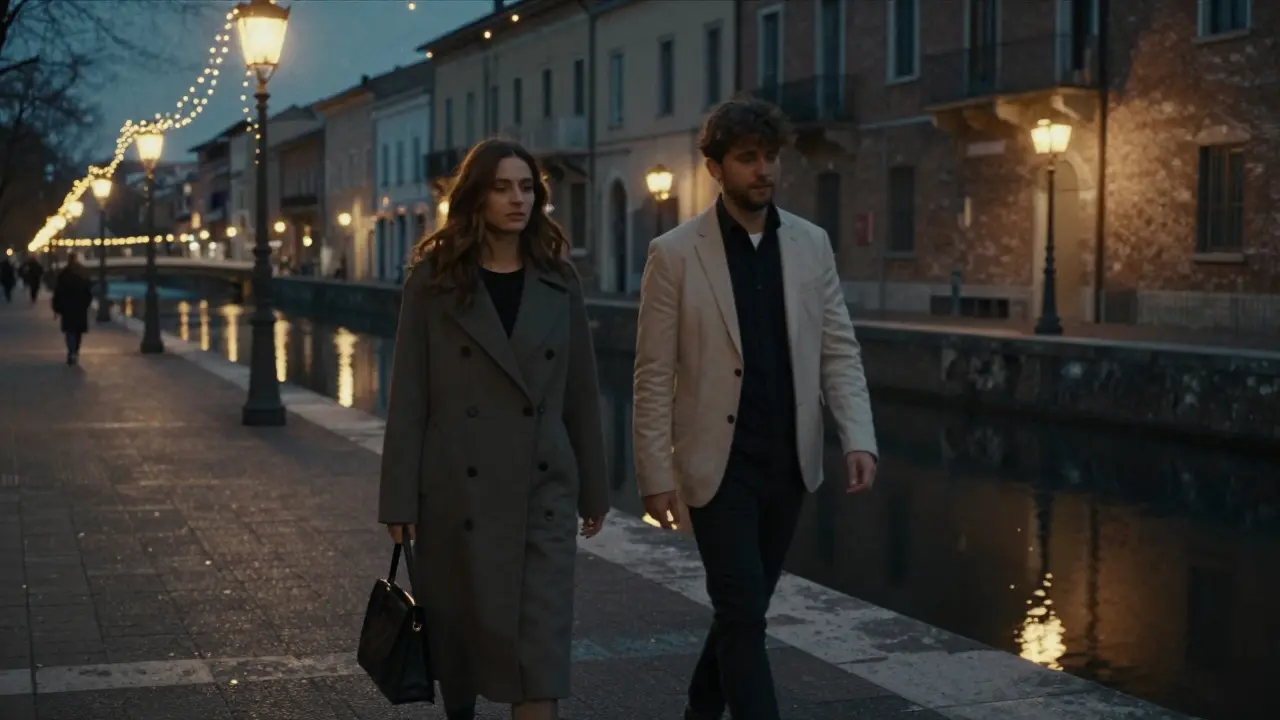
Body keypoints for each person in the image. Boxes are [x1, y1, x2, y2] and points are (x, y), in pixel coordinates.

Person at [631, 97, 879, 720]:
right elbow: (654, 374)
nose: (764, 170)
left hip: (789, 461)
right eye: (748, 159)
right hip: (719, 466)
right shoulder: (675, 254)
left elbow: (839, 349)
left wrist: (858, 436)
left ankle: (699, 708)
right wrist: (654, 473)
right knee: (743, 611)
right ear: (716, 167)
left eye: (770, 157)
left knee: (745, 608)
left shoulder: (811, 244)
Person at [377, 138, 610, 720]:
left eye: (527, 187)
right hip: (458, 494)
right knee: (461, 659)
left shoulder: (560, 280)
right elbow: (409, 397)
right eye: (503, 187)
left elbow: (580, 390)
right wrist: (398, 498)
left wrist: (595, 489)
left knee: (540, 659)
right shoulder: (433, 282)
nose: (517, 199)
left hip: (542, 496)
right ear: (476, 197)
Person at [52, 252, 94, 365]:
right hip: (80, 307)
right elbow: (88, 291)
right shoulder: (83, 273)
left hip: (67, 307)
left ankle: (71, 351)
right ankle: (75, 350)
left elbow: (58, 292)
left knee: (69, 331)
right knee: (78, 331)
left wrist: (57, 307)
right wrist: (86, 304)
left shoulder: (64, 274)